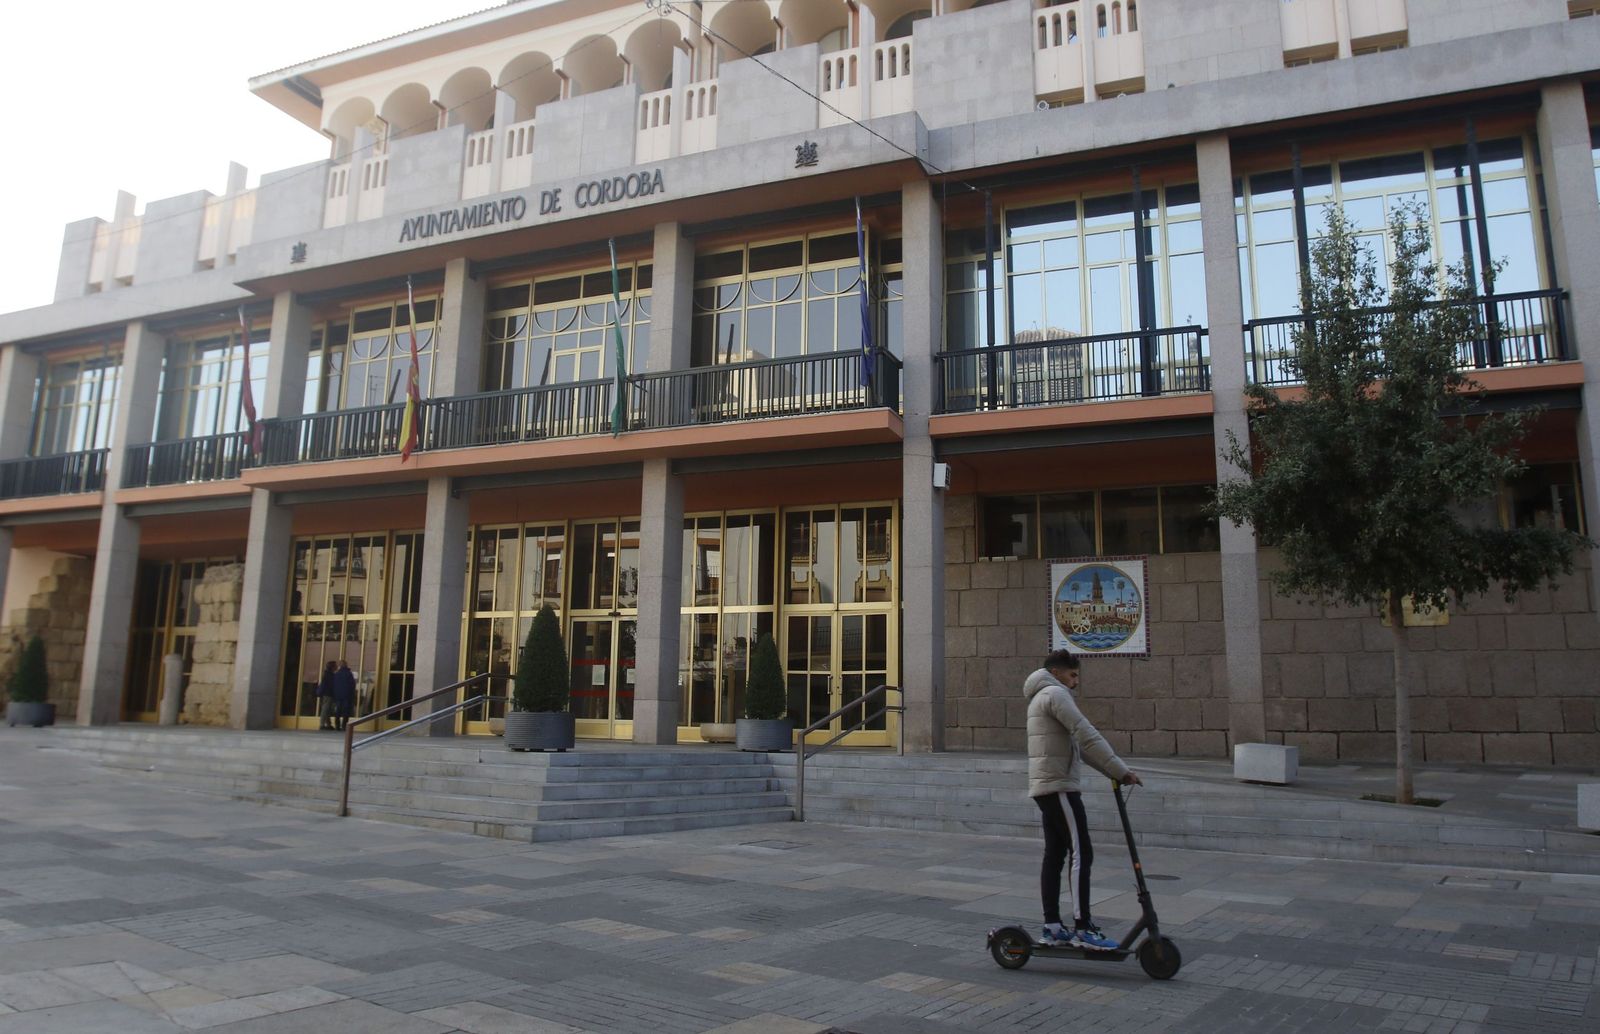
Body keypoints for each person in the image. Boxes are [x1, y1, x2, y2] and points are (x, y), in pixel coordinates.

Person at [1024, 649, 1142, 951]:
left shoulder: (1041, 696)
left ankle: (1052, 926)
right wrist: (1120, 769)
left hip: (1048, 786)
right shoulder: (1055, 693)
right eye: (1073, 675)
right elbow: (1086, 734)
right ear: (1056, 672)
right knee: (1081, 852)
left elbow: (1078, 747)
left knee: (1055, 855)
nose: (1076, 682)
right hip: (1059, 787)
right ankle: (1083, 926)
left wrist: (1112, 772)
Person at [332, 660, 357, 732]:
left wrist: (335, 694)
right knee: (346, 711)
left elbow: (334, 685)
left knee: (338, 711)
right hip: (347, 696)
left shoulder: (337, 674)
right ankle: (344, 726)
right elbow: (352, 685)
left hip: (338, 696)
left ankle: (337, 725)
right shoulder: (348, 674)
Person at [315, 661, 338, 730]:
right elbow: (330, 685)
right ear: (332, 667)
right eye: (335, 666)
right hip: (327, 694)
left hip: (327, 694)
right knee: (326, 708)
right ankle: (322, 724)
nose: (337, 667)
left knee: (327, 709)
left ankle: (328, 724)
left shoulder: (328, 674)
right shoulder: (329, 675)